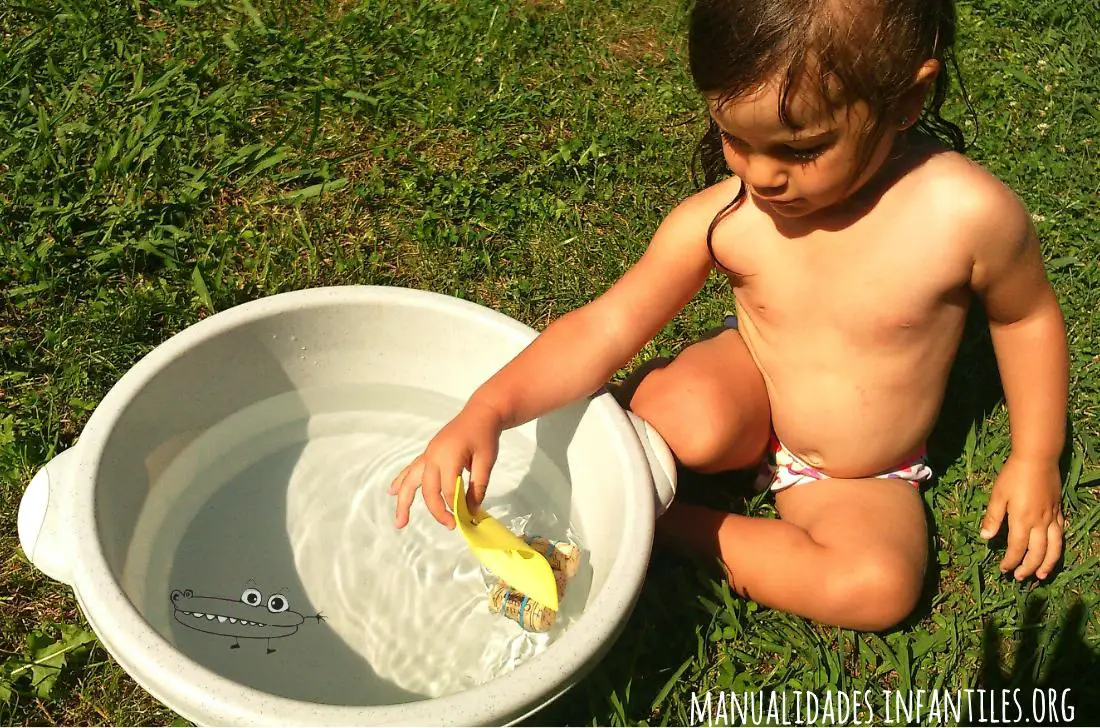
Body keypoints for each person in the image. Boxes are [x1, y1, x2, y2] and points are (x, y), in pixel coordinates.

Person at [389, 0, 1069, 631]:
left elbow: (1024, 319)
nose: (762, 175)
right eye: (733, 139)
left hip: (854, 474)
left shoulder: (964, 216)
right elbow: (605, 326)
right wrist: (488, 409)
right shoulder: (730, 219)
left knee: (877, 588)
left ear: (907, 99)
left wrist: (1035, 457)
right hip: (750, 388)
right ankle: (612, 471)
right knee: (690, 413)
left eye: (800, 149)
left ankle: (660, 526)